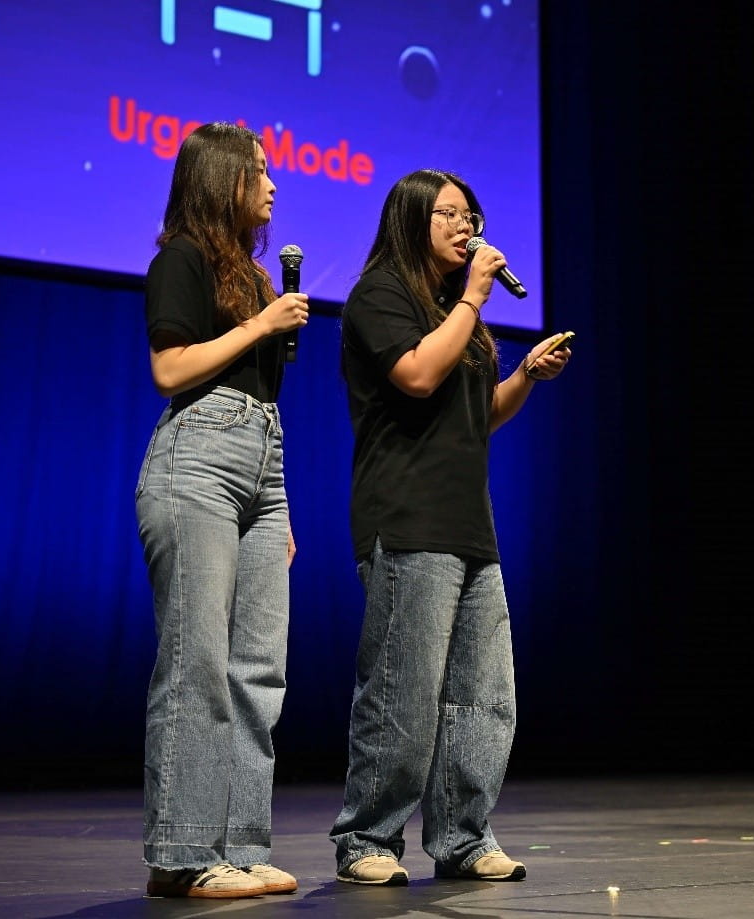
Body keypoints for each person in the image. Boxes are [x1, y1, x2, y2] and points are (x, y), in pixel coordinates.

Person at [329, 168, 570, 886]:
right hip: (406, 518)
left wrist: (524, 373)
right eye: (448, 216)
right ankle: (365, 839)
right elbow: (414, 377)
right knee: (403, 692)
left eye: (470, 215)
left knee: (483, 695)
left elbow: (475, 416)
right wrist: (471, 297)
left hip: (469, 525)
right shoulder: (379, 296)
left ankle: (464, 837)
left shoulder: (453, 311)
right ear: (409, 222)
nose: (466, 228)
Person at [134, 121, 311, 898]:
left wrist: (282, 508)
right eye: (260, 171)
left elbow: (263, 400)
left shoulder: (254, 277)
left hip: (261, 471)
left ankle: (238, 844)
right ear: (222, 180)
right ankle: (181, 852)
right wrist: (260, 326)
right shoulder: (181, 258)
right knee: (198, 663)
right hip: (196, 463)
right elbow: (170, 368)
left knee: (257, 670)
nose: (272, 184)